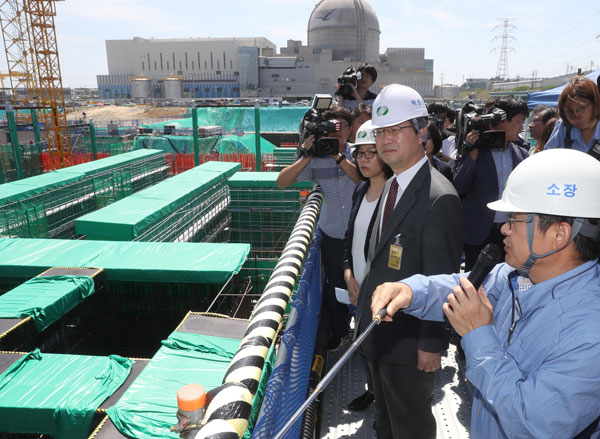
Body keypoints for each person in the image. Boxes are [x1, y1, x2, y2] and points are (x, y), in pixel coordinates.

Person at [371, 149, 600, 439]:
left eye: (515, 220)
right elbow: (463, 286)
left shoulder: (590, 333)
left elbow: (533, 424)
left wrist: (478, 334)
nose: (504, 229)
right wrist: (409, 290)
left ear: (559, 234)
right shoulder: (517, 278)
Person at [355, 84, 463, 439]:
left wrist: (431, 344)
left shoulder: (438, 197)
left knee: (411, 428)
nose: (386, 140)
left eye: (396, 130)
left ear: (421, 134)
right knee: (385, 424)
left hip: (409, 344)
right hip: (380, 336)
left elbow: (443, 277)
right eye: (381, 131)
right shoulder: (392, 184)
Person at [277, 105, 361, 351]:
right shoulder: (316, 158)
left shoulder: (360, 153)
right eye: (330, 128)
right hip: (333, 233)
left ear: (350, 129)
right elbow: (283, 181)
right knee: (336, 286)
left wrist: (338, 157)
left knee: (365, 282)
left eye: (341, 127)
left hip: (362, 231)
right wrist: (307, 154)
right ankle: (341, 332)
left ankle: (366, 328)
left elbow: (361, 179)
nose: (336, 133)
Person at [342, 120, 393, 412]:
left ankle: (385, 406)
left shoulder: (395, 194)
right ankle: (373, 391)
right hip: (359, 289)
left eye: (370, 153)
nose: (363, 159)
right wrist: (349, 275)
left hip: (383, 294)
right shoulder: (360, 190)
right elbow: (350, 239)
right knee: (365, 346)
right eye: (359, 153)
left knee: (382, 349)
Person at [453, 95, 529, 271]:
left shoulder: (522, 154)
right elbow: (457, 187)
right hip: (478, 235)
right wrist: (470, 156)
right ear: (502, 121)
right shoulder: (475, 150)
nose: (521, 128)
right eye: (519, 121)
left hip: (511, 234)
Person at [545, 76, 600, 158]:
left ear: (595, 103)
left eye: (581, 108)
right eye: (570, 112)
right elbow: (548, 158)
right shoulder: (563, 126)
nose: (576, 115)